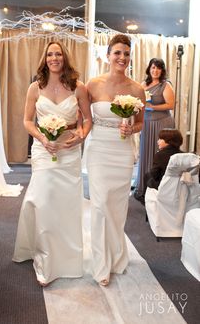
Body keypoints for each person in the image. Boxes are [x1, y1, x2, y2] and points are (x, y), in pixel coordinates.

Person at [13, 41, 92, 286]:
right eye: (50, 54)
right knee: (44, 202)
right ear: (45, 58)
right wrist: (41, 138)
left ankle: (67, 259)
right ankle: (46, 261)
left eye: (58, 54)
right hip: (43, 151)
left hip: (69, 152)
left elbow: (88, 119)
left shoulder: (78, 88)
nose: (54, 58)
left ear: (64, 58)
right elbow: (27, 121)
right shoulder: (35, 88)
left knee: (67, 205)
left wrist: (81, 136)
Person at [85, 34, 145, 286]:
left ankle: (117, 256)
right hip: (98, 149)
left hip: (122, 152)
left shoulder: (136, 88)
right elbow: (84, 119)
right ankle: (101, 263)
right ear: (108, 55)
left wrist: (131, 129)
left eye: (127, 53)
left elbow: (140, 122)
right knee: (99, 206)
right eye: (117, 52)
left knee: (118, 207)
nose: (122, 58)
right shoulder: (93, 85)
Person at [134, 58, 175, 202]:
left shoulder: (166, 85)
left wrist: (153, 107)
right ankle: (143, 187)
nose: (155, 71)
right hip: (146, 123)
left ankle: (159, 188)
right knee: (145, 153)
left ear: (162, 70)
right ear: (149, 69)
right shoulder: (143, 84)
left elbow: (171, 105)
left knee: (159, 154)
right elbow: (137, 101)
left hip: (162, 123)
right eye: (153, 68)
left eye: (158, 68)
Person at [141, 128, 183, 204]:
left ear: (169, 141)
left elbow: (155, 175)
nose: (158, 141)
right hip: (180, 188)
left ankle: (146, 202)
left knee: (147, 176)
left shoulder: (160, 155)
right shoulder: (184, 155)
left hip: (163, 186)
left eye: (160, 139)